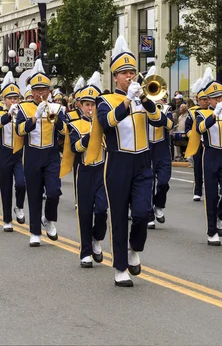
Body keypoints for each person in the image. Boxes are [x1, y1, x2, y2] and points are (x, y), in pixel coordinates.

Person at [86, 36, 166, 286]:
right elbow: (107, 122)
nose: (130, 76)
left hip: (142, 161)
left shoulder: (144, 98)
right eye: (124, 73)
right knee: (119, 215)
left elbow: (160, 122)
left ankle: (134, 249)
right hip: (118, 162)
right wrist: (128, 101)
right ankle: (120, 267)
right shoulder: (105, 100)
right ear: (116, 77)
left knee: (143, 212)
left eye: (132, 71)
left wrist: (143, 100)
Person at [15, 60, 66, 247]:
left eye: (44, 89)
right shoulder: (22, 108)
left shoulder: (58, 108)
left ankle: (49, 219)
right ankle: (35, 231)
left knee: (53, 192)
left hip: (51, 154)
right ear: (31, 91)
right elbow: (20, 131)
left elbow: (65, 132)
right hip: (32, 154)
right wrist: (35, 116)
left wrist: (56, 119)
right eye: (37, 90)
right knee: (34, 194)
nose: (41, 93)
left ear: (49, 90)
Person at [61, 73, 107, 268]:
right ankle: (85, 251)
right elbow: (75, 148)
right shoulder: (75, 125)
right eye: (86, 104)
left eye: (93, 104)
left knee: (103, 210)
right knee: (85, 212)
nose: (90, 108)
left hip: (103, 171)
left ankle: (97, 239)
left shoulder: (106, 123)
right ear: (80, 105)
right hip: (85, 171)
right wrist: (89, 136)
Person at [195, 69, 222, 246]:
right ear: (209, 100)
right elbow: (200, 129)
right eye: (215, 98)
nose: (219, 101)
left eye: (220, 97)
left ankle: (220, 217)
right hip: (211, 154)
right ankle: (212, 231)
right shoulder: (202, 113)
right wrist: (214, 114)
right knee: (211, 195)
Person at [0, 72, 26, 231]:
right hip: (5, 154)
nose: (13, 101)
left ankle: (19, 206)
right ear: (4, 100)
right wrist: (9, 114)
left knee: (21, 183)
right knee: (5, 188)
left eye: (16, 98)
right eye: (10, 98)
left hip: (19, 154)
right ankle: (7, 219)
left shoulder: (24, 112)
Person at [146, 67, 174, 229]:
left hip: (162, 149)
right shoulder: (141, 109)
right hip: (147, 148)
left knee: (163, 182)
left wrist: (158, 112)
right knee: (148, 182)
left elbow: (169, 125)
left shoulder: (166, 109)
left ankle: (158, 205)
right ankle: (149, 213)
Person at [184, 78, 209, 201]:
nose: (206, 102)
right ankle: (198, 190)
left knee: (211, 168)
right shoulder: (192, 111)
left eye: (207, 99)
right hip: (198, 143)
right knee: (198, 167)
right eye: (203, 100)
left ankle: (212, 189)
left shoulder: (213, 110)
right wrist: (193, 136)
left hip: (210, 142)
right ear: (198, 100)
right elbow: (187, 128)